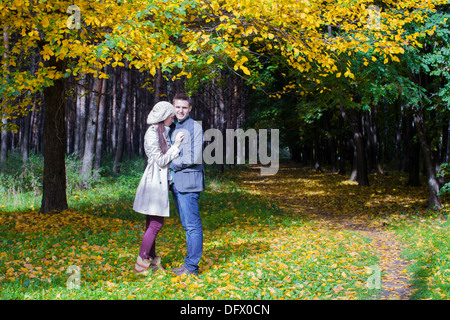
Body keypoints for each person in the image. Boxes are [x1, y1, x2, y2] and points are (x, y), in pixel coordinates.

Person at [133, 101, 184, 275]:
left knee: (151, 224)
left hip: (159, 182)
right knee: (156, 224)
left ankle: (152, 261)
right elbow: (161, 161)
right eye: (171, 115)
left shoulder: (162, 131)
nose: (173, 118)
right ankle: (141, 262)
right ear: (164, 117)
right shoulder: (152, 133)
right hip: (154, 183)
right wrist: (176, 146)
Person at [169, 93, 205, 276]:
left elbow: (194, 155)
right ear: (173, 107)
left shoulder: (195, 127)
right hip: (175, 183)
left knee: (192, 226)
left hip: (189, 183)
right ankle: (189, 264)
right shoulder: (172, 127)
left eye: (184, 107)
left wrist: (171, 164)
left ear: (189, 108)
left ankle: (192, 267)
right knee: (186, 225)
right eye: (178, 107)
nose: (181, 110)